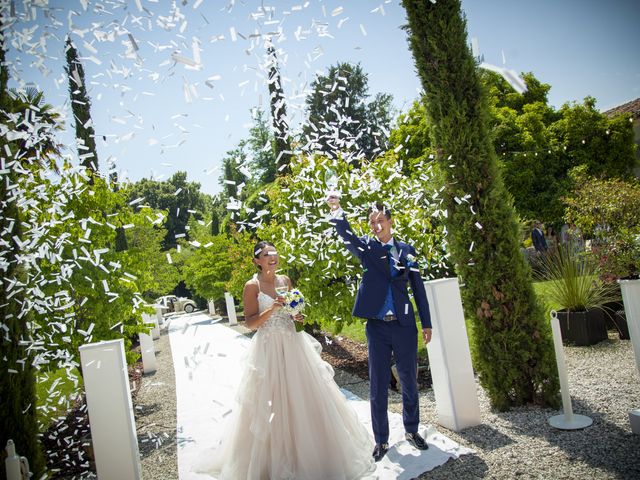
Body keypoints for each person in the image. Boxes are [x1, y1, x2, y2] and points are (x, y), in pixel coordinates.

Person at [194, 240, 375, 480]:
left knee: (304, 396)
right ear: (257, 260)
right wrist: (272, 309)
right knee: (269, 401)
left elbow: (297, 322)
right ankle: (271, 459)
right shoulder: (252, 286)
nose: (272, 257)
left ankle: (314, 455)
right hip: (268, 349)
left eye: (275, 253)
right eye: (267, 254)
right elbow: (249, 323)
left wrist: (298, 317)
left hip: (294, 346)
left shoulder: (285, 281)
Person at [327, 198, 432, 462]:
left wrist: (427, 322)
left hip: (404, 326)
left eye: (380, 221)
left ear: (390, 221)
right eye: (372, 222)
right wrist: (336, 211)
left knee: (409, 380)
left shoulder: (407, 250)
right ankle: (381, 439)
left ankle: (412, 430)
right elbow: (347, 235)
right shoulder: (366, 247)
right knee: (377, 385)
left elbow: (418, 289)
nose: (375, 226)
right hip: (376, 327)